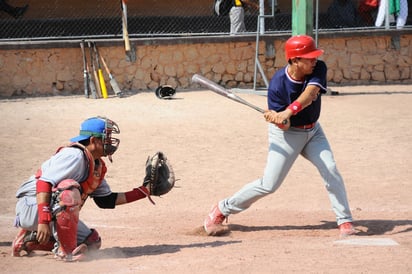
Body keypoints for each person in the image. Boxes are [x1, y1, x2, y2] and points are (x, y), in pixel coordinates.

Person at [203, 35, 356, 238]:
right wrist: (277, 118)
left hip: (314, 131)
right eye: (308, 58)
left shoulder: (318, 68)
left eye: (314, 56)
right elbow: (285, 127)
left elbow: (311, 93)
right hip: (288, 135)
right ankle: (222, 208)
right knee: (269, 184)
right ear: (294, 60)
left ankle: (344, 220)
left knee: (331, 169)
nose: (314, 60)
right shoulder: (277, 85)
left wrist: (288, 111)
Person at [12, 116, 153, 261]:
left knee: (92, 241)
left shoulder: (95, 163)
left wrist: (144, 191)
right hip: (32, 206)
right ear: (93, 140)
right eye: (107, 137)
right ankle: (65, 252)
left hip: (45, 209)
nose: (110, 142)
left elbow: (106, 200)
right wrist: (43, 220)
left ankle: (28, 240)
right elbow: (43, 183)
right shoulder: (74, 155)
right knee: (69, 190)